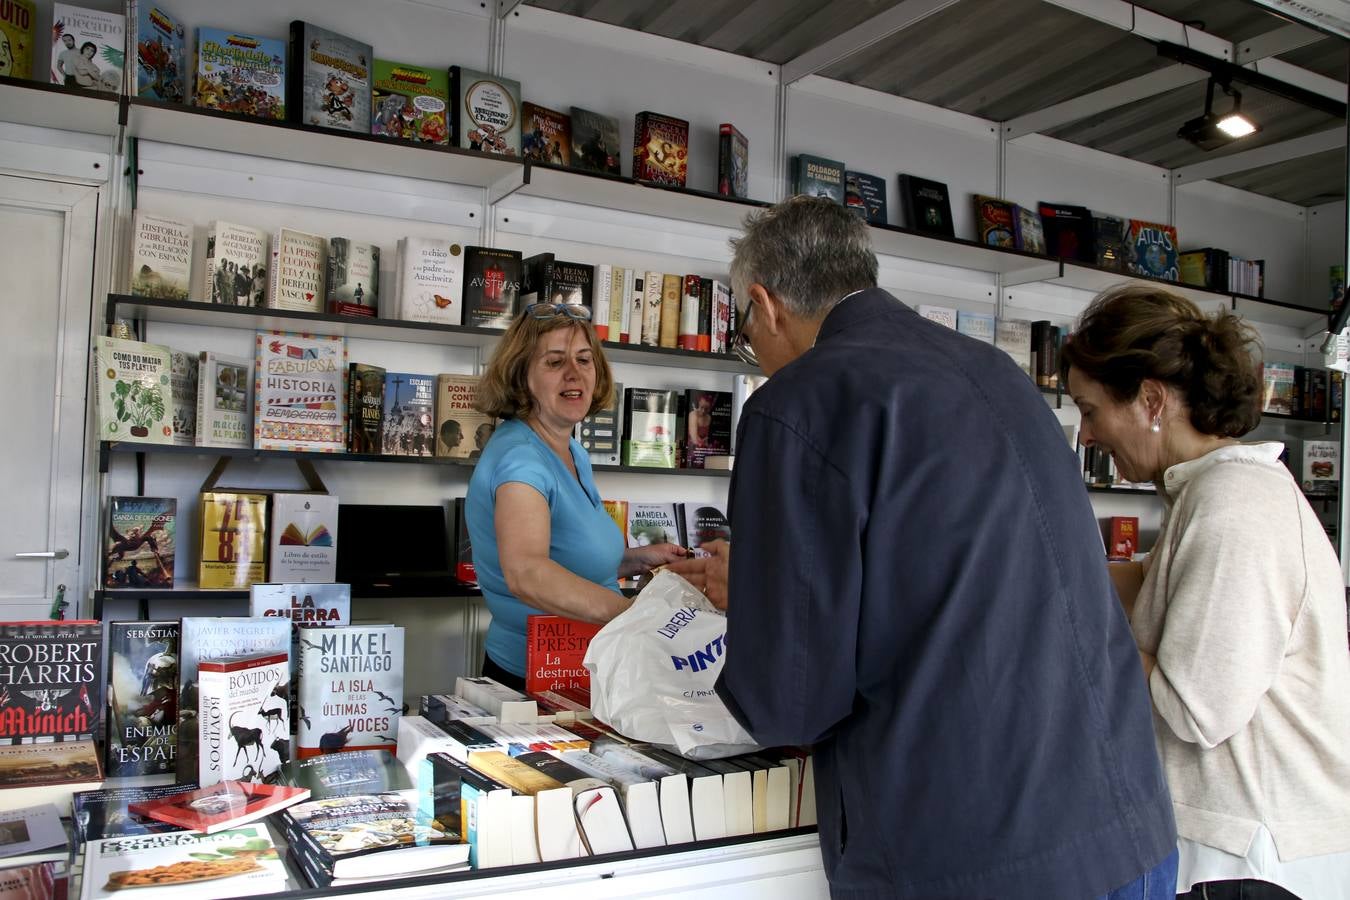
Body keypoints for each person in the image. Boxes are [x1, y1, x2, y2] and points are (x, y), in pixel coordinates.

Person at [667, 196, 1176, 900]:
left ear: (767, 303)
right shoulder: (999, 372)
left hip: (973, 853)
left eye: (745, 329)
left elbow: (792, 701)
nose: (753, 346)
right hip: (1128, 830)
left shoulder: (799, 402)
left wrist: (761, 599)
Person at [1062, 285, 1350, 900]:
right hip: (1234, 847)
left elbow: (1194, 709)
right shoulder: (1209, 494)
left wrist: (1065, 633)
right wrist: (1044, 570)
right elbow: (1147, 589)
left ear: (1151, 399)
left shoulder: (1234, 507)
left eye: (1089, 410)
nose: (1085, 436)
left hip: (1251, 859)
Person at [465, 302, 686, 690]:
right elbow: (528, 574)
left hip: (579, 666)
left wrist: (636, 559)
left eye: (584, 360)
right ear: (521, 375)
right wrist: (633, 614)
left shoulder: (569, 450)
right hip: (531, 679)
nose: (575, 373)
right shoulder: (522, 461)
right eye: (554, 362)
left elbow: (569, 558)